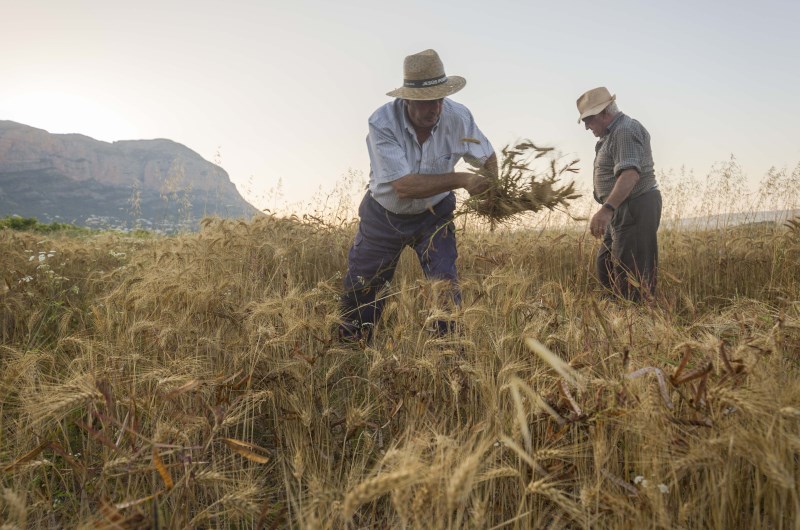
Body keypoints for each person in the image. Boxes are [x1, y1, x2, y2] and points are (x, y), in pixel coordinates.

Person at [339, 49, 497, 342]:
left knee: (444, 284)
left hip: (434, 214)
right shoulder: (382, 123)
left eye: (440, 99)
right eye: (426, 102)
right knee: (363, 288)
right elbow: (404, 186)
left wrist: (493, 193)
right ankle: (351, 351)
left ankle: (450, 354)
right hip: (383, 217)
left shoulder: (458, 116)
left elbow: (487, 156)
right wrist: (462, 178)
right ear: (406, 98)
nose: (434, 108)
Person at [576, 87, 661, 302]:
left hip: (633, 208)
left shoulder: (624, 131)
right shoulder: (612, 134)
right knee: (607, 266)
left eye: (589, 120)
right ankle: (619, 320)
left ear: (605, 113)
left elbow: (630, 174)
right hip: (621, 210)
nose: (586, 127)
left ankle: (637, 324)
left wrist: (607, 209)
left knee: (631, 275)